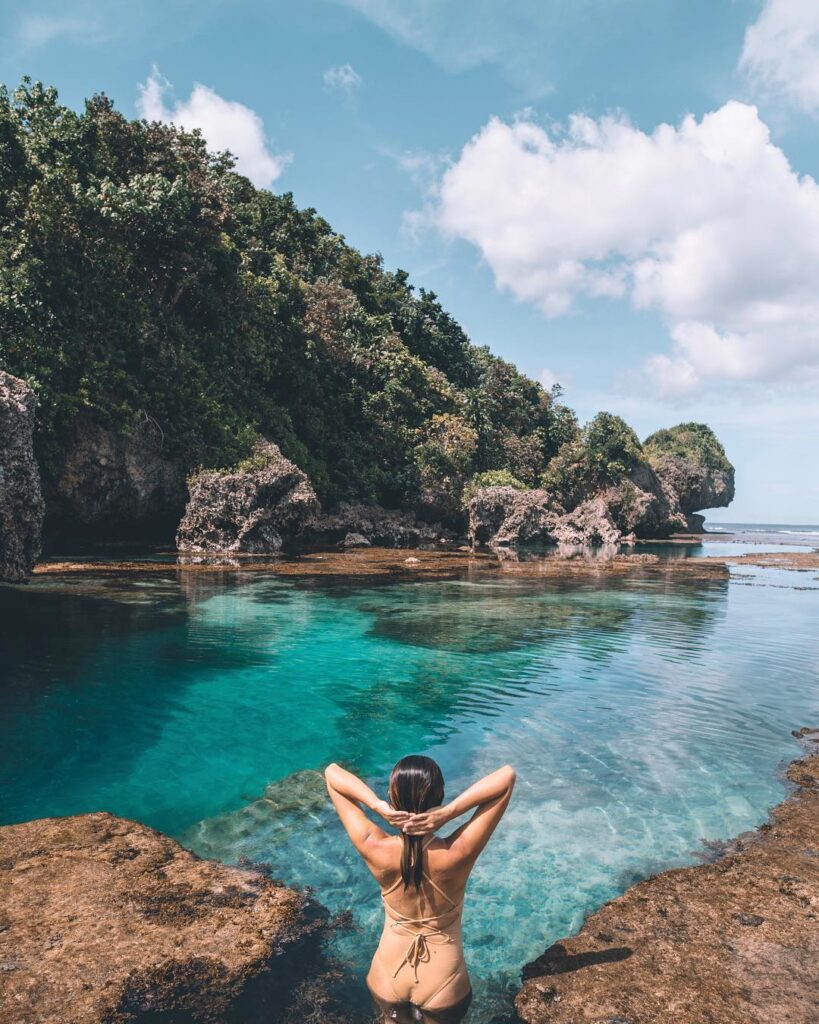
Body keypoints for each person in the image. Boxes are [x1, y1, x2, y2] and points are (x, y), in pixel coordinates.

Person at [324, 755, 516, 1023]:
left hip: (387, 976)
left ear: (393, 797)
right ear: (440, 797)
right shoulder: (456, 853)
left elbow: (333, 774)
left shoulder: (374, 846)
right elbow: (506, 778)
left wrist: (378, 806)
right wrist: (450, 812)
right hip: (444, 983)